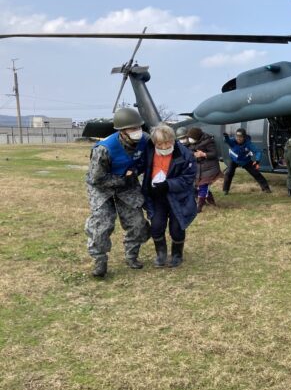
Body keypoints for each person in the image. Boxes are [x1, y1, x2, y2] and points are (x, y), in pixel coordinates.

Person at [85, 107, 150, 278]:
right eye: (132, 128)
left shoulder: (145, 141)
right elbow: (97, 178)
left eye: (138, 127)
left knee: (137, 223)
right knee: (102, 224)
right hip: (102, 187)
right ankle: (100, 261)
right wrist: (122, 178)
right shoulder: (104, 149)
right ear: (122, 131)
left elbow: (146, 161)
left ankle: (131, 256)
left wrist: (134, 172)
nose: (137, 131)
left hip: (127, 184)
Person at [141, 124, 197, 268]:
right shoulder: (148, 151)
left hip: (178, 197)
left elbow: (188, 178)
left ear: (173, 140)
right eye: (160, 144)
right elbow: (141, 166)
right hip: (156, 196)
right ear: (154, 142)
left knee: (177, 227)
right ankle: (161, 254)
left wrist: (168, 184)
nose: (165, 147)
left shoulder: (185, 154)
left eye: (168, 142)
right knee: (156, 225)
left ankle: (177, 254)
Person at [222, 127, 271, 194]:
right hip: (234, 160)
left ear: (244, 137)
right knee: (228, 173)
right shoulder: (232, 141)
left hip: (245, 161)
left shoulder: (248, 144)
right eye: (237, 136)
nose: (238, 138)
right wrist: (226, 137)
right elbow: (227, 141)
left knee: (256, 173)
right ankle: (225, 190)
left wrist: (257, 160)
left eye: (240, 137)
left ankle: (266, 188)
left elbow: (258, 151)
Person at [187, 127, 223, 212]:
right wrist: (194, 154)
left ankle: (199, 207)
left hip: (209, 168)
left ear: (197, 137)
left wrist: (204, 154)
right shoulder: (191, 143)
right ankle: (211, 202)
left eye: (191, 138)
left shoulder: (208, 141)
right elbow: (188, 151)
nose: (190, 139)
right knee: (199, 186)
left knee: (203, 186)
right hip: (198, 169)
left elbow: (214, 153)